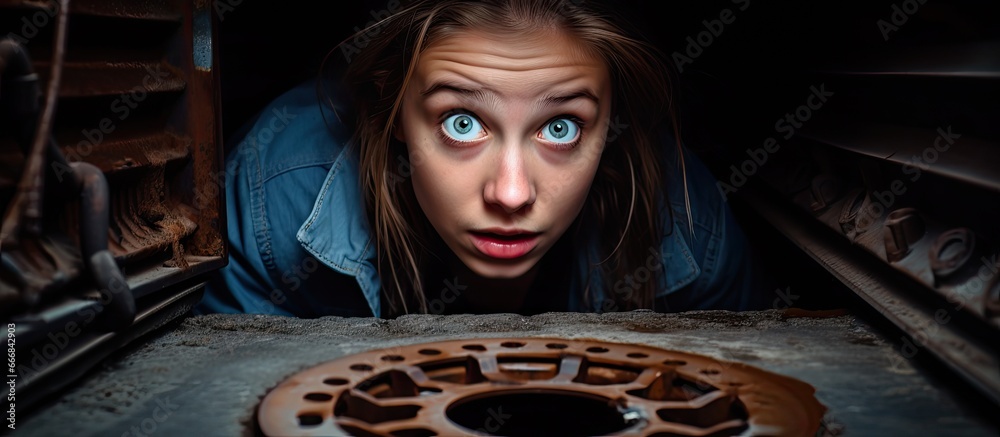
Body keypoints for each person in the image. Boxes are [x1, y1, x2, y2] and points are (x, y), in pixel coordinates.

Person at [195, 0, 771, 318]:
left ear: (614, 123)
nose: (512, 193)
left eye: (561, 126)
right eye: (462, 123)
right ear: (393, 111)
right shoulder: (275, 199)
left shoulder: (688, 228)